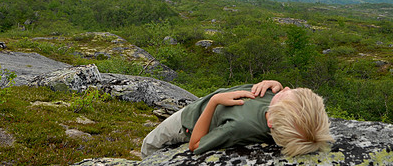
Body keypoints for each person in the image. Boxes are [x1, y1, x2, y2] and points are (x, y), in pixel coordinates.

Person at [141, 80, 333, 158]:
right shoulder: (279, 113)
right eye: (291, 89)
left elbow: (196, 145)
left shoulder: (240, 128)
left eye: (284, 95)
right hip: (203, 105)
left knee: (148, 144)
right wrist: (274, 84)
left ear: (271, 123)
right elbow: (285, 105)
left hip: (188, 121)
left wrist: (214, 101)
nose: (286, 89)